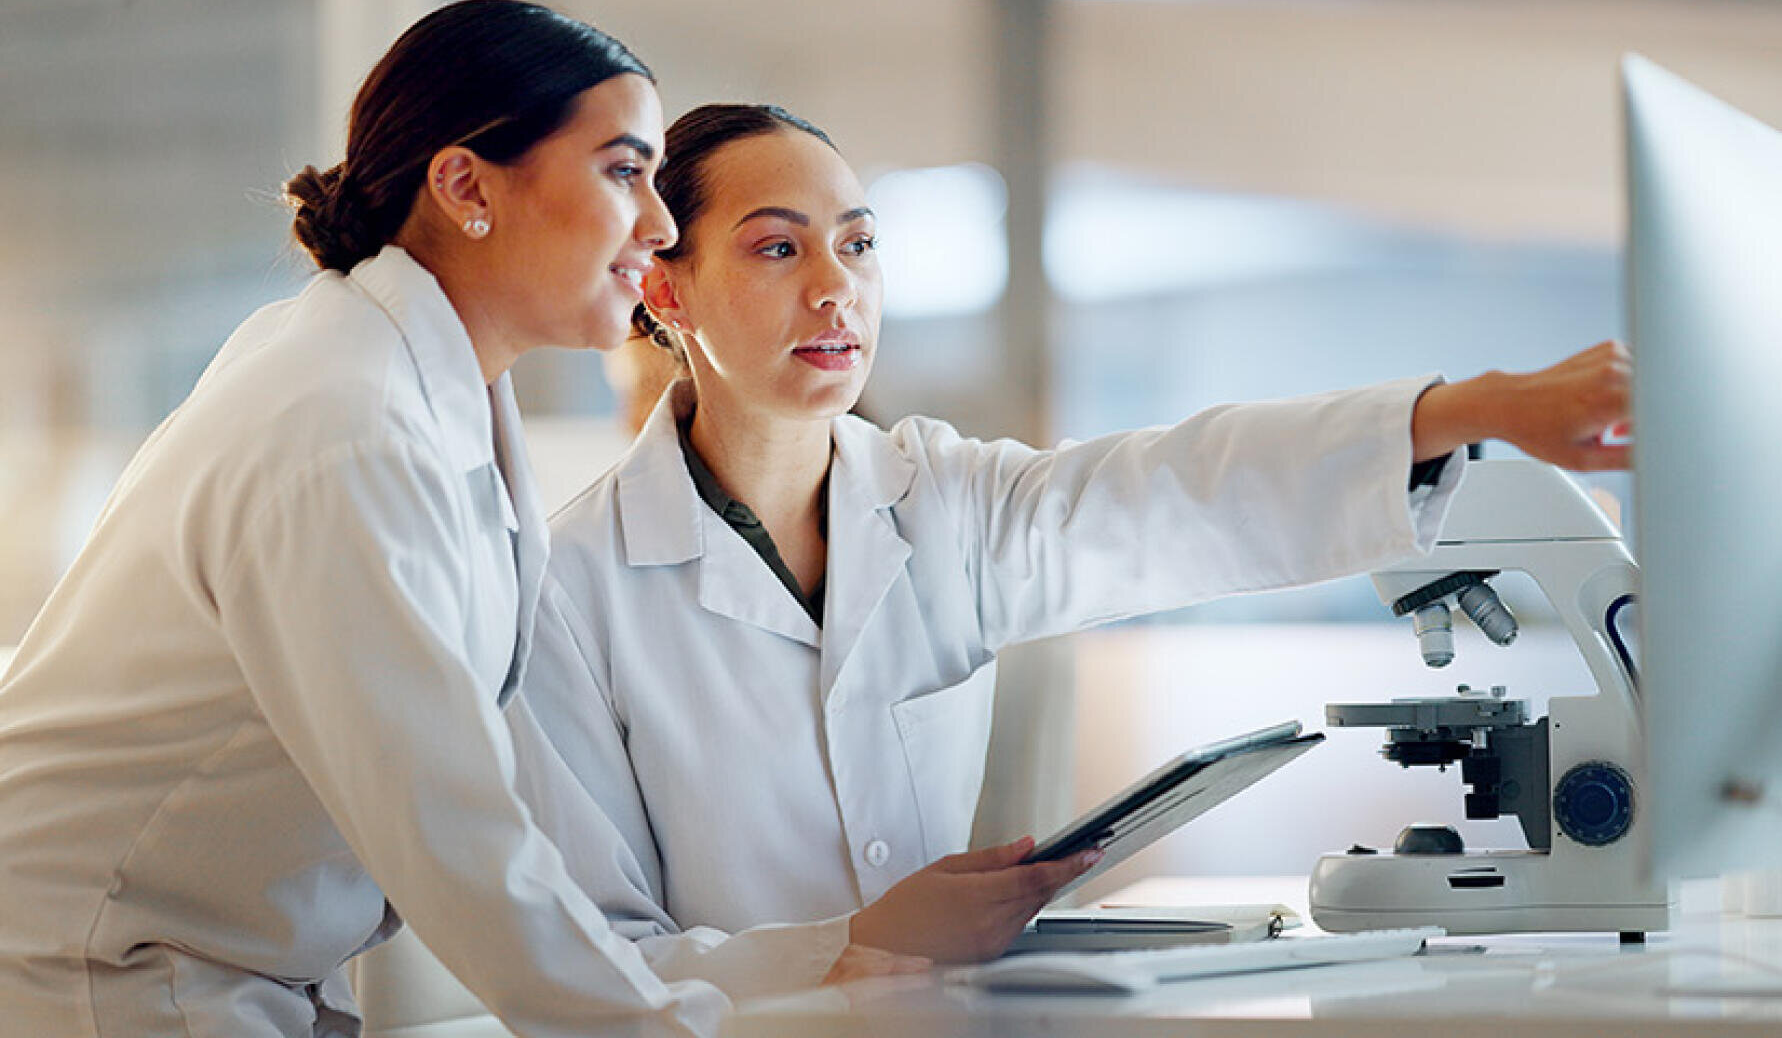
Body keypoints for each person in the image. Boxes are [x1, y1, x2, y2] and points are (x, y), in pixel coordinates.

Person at [519, 103, 1634, 990]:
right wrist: (848, 947)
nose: (835, 289)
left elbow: (1179, 491)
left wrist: (1473, 409)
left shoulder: (945, 500)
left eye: (858, 245)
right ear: (664, 288)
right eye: (778, 247)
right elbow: (589, 963)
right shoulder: (568, 590)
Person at [0, 1, 854, 1038]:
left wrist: (825, 957)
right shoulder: (345, 424)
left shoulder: (425, 389)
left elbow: (498, 809)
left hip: (218, 971)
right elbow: (454, 834)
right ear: (465, 187)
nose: (660, 226)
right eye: (624, 171)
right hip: (100, 972)